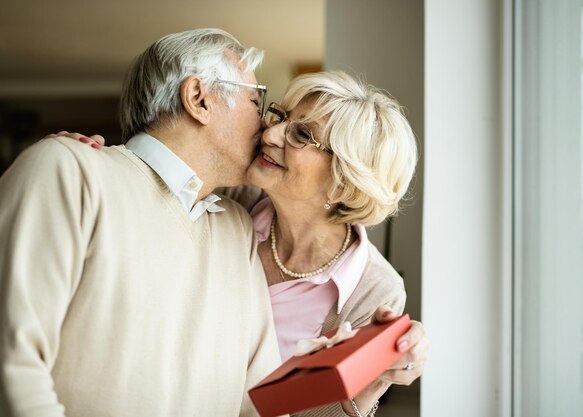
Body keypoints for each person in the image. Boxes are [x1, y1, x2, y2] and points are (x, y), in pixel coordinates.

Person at [67, 70, 429, 417]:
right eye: (280, 117)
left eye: (301, 135)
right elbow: (148, 191)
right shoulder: (227, 197)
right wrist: (103, 164)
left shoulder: (375, 291)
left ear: (344, 183)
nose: (271, 135)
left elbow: (311, 412)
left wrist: (371, 382)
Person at [0, 29, 282, 417]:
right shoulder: (67, 171)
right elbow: (13, 362)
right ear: (199, 99)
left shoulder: (237, 229)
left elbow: (260, 397)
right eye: (257, 100)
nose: (268, 126)